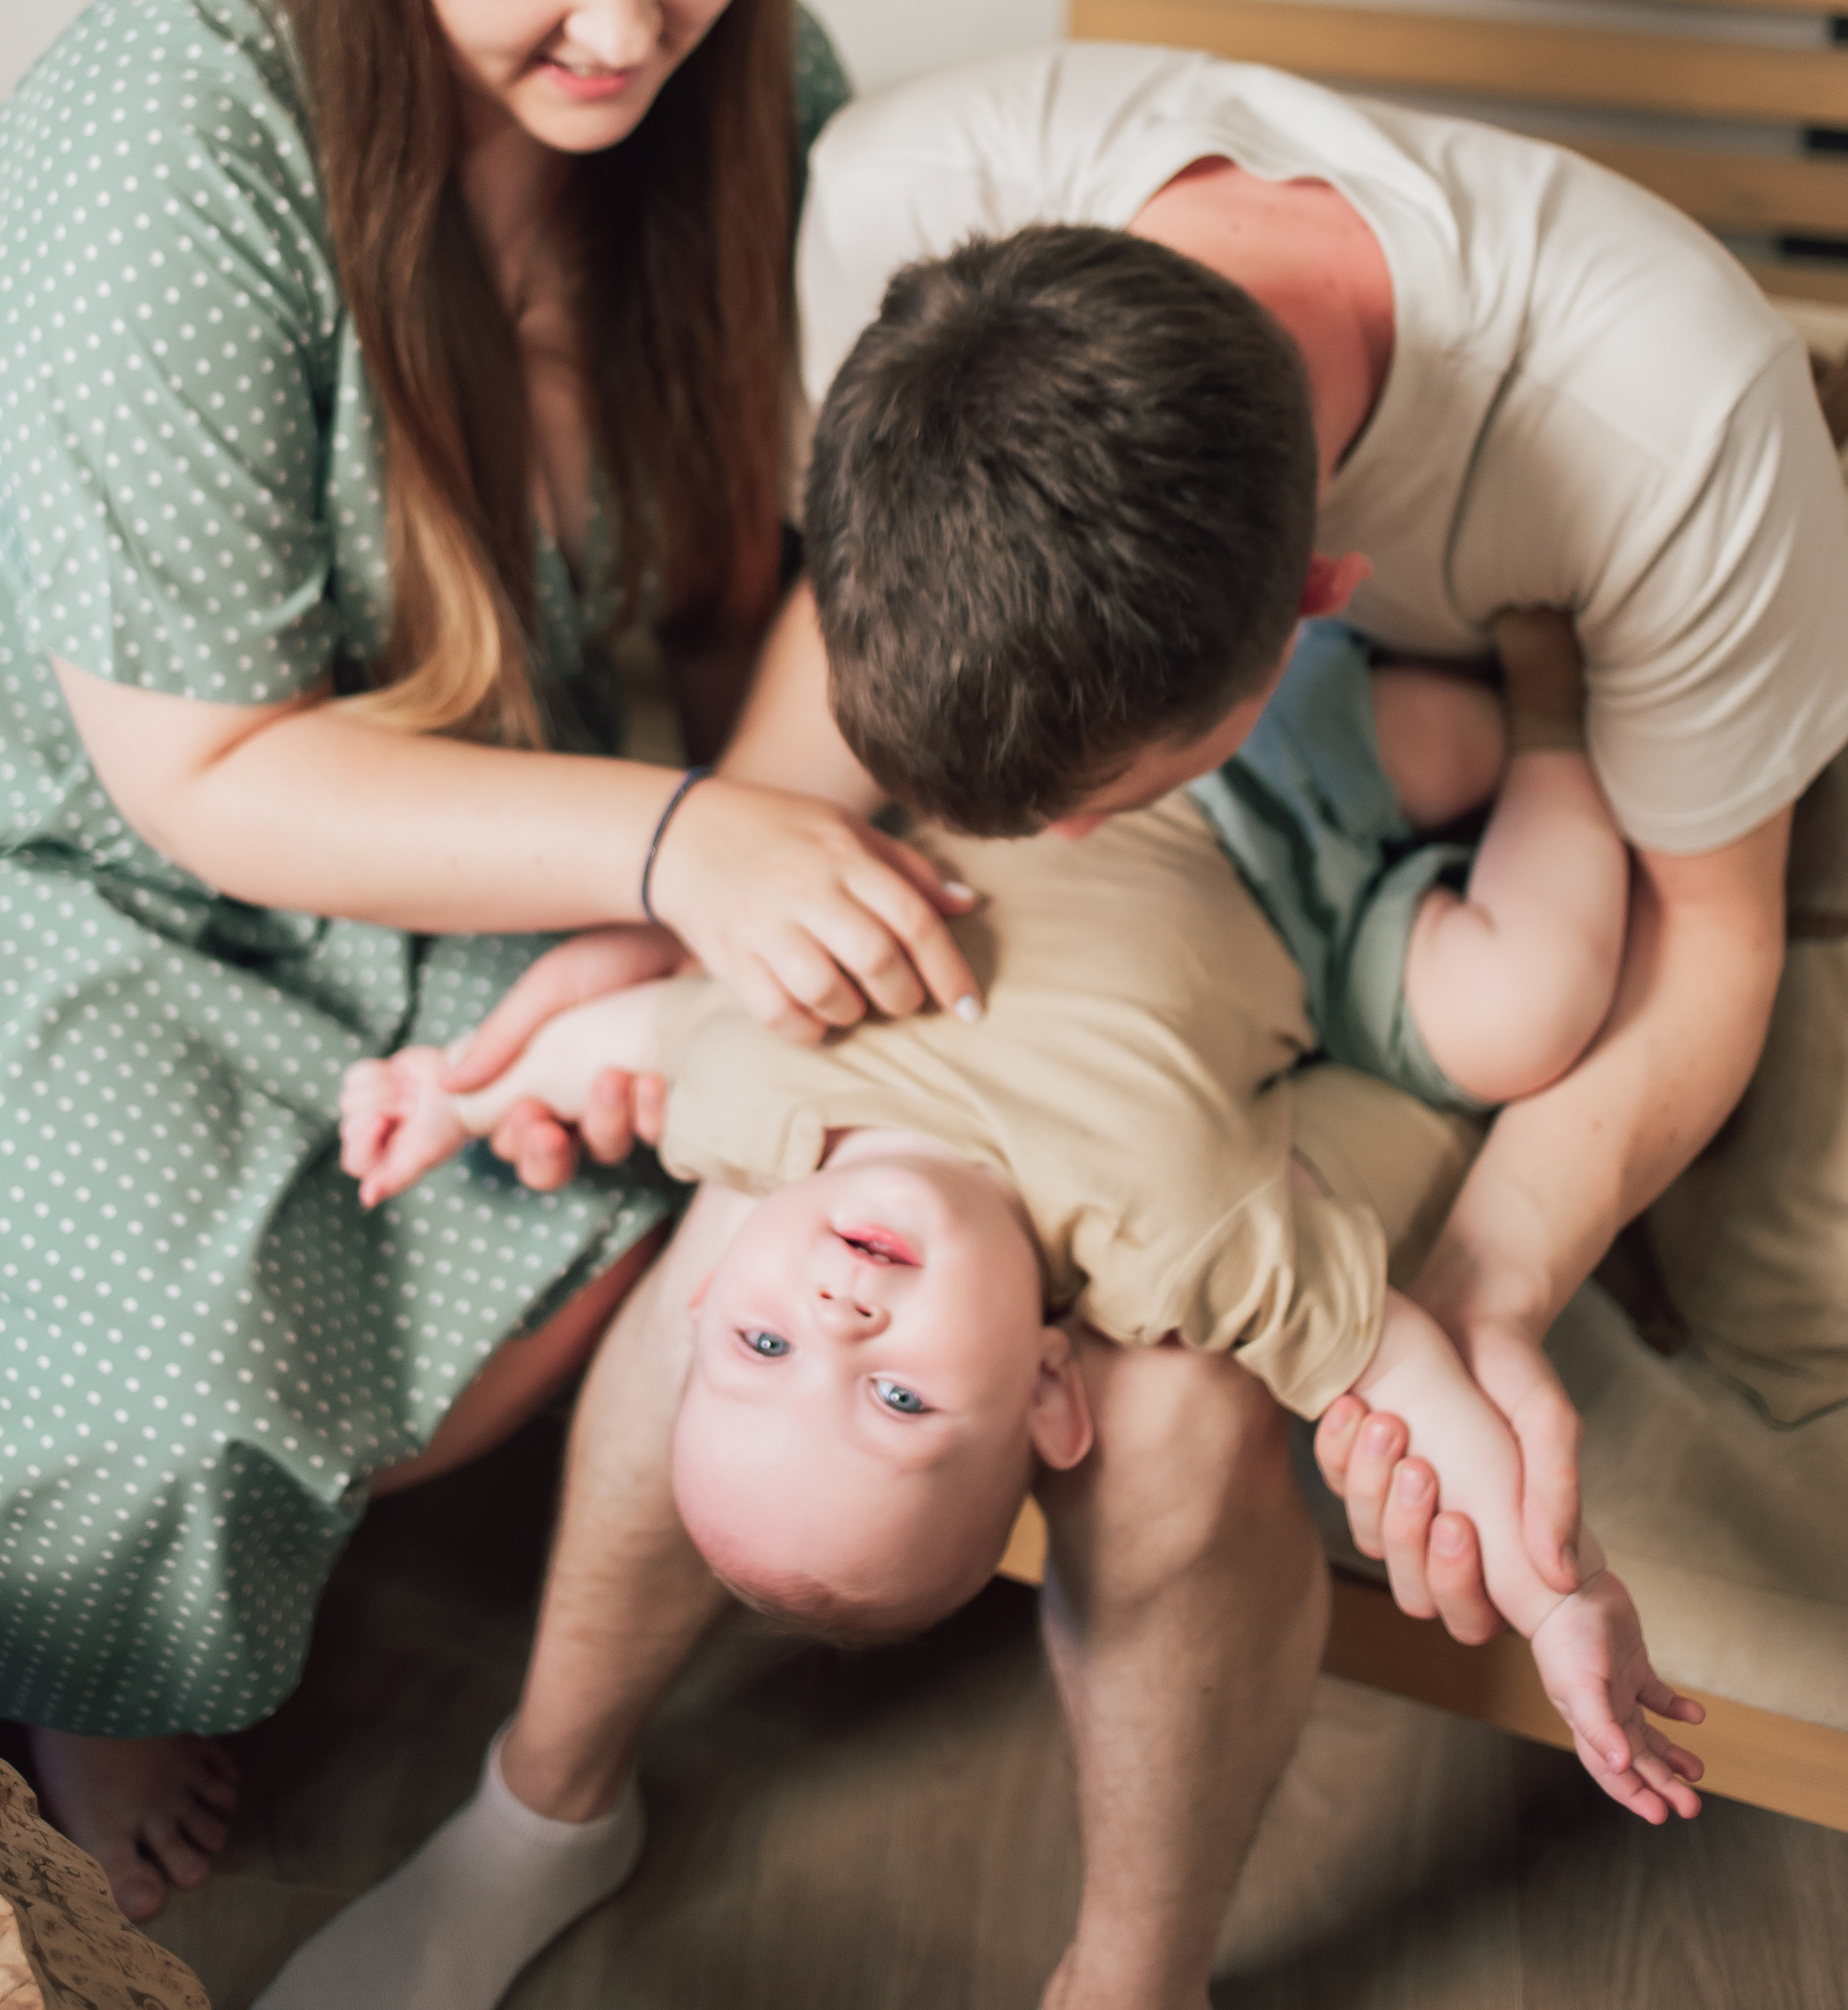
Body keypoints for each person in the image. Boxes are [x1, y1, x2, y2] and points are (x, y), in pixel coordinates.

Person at [227, 51, 1848, 2010]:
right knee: (743, 1248)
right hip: (969, 1016)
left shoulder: (1684, 431)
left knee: (1175, 1395)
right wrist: (658, 957)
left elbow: (1705, 957)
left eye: (1084, 797)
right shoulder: (913, 193)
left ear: (1305, 620)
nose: (1042, 845)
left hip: (1322, 941)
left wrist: (1498, 1297)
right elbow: (836, 697)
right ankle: (540, 1807)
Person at [0, 0, 982, 1930]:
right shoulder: (167, 134)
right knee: (167, 1372)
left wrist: (683, 894)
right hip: (116, 841)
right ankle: (88, 1647)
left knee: (675, 1119)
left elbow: (827, 573)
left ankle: (260, 1519)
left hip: (511, 799)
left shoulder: (770, 92)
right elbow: (195, 767)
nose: (627, 25)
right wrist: (674, 854)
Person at [315, 612, 1703, 1833]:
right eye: (902, 1397)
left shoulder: (750, 1096)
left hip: (1051, 736)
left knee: (1297, 710)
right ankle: (1558, 701)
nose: (841, 1324)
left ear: (711, 1283)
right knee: (1520, 993)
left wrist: (452, 1091)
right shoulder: (1173, 1244)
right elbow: (1403, 1374)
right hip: (1294, 847)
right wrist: (1558, 1599)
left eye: (763, 1341)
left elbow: (597, 1041)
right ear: (1050, 1390)